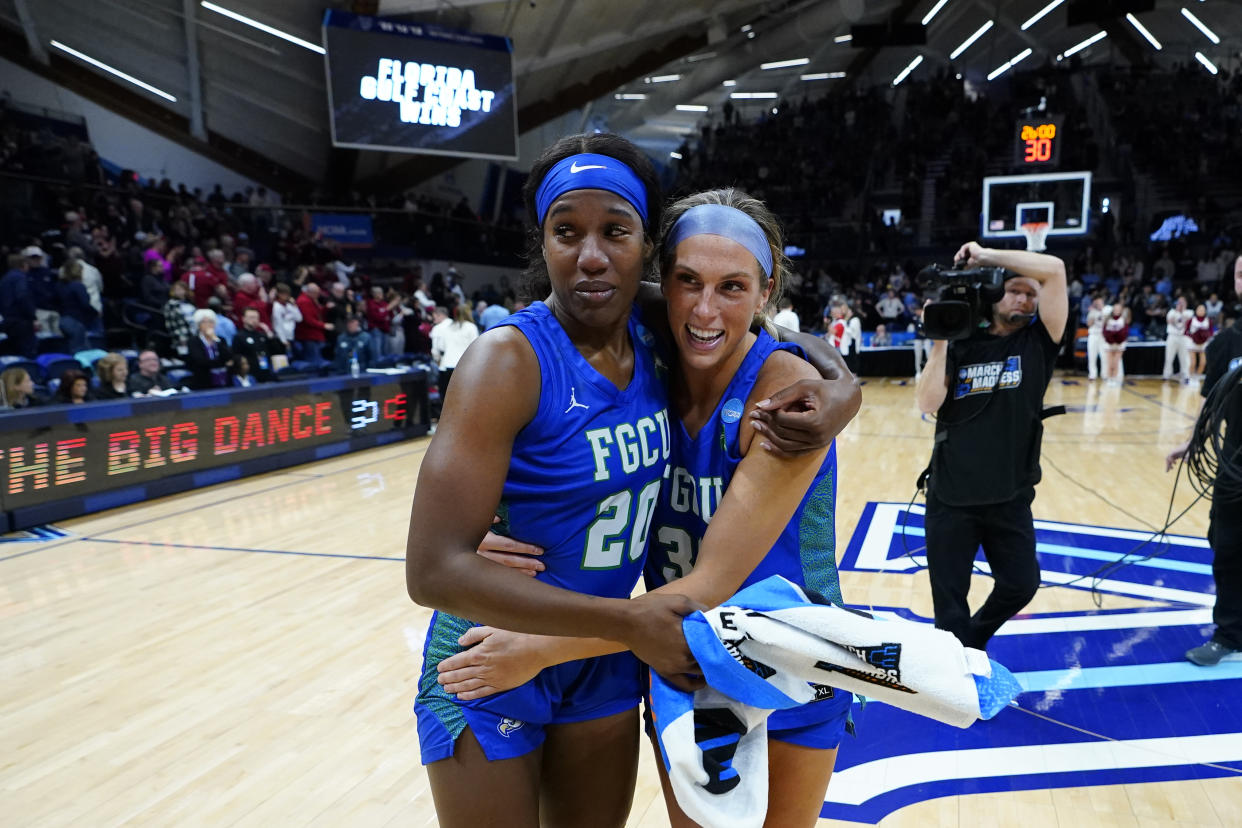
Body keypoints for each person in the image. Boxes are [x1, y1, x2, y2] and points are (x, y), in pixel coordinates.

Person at [404, 134, 857, 828]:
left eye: (615, 231)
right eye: (566, 232)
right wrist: (477, 545)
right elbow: (432, 560)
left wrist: (842, 385)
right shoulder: (564, 348)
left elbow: (757, 332)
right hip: (541, 646)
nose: (705, 309)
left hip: (685, 652)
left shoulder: (717, 362)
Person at [913, 241, 1067, 651]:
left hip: (1009, 496)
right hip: (950, 496)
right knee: (948, 611)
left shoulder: (1038, 343)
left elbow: (1054, 268)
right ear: (995, 293)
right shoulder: (960, 344)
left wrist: (985, 255)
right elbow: (928, 403)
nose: (1026, 300)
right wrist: (942, 337)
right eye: (1016, 290)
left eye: (1032, 295)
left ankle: (972, 644)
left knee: (1021, 584)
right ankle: (958, 679)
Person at [1166, 256, 1242, 665]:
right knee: (1226, 547)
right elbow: (1211, 406)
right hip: (1234, 463)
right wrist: (1191, 443)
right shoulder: (1225, 342)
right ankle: (1229, 634)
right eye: (1239, 273)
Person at [429, 304, 479, 396]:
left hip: (446, 366)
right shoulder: (471, 327)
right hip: (464, 367)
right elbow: (475, 349)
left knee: (446, 399)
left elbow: (440, 348)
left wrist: (438, 360)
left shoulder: (447, 327)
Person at [56, 259, 100, 353]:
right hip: (75, 321)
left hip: (63, 321)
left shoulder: (59, 286)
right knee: (79, 350)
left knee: (70, 348)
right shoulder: (78, 286)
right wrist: (96, 313)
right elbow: (85, 304)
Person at [0, 254, 38, 358]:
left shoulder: (4, 279)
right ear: (23, 264)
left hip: (8, 322)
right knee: (28, 353)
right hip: (22, 322)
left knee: (14, 354)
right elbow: (22, 297)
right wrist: (33, 316)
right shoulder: (20, 277)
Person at [186, 308, 233, 389]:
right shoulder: (193, 341)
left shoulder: (220, 340)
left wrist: (215, 339)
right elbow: (200, 361)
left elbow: (228, 357)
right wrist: (221, 363)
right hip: (203, 381)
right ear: (198, 325)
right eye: (204, 322)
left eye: (211, 322)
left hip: (223, 379)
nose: (208, 325)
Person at [232, 307, 277, 382]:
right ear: (244, 319)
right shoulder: (239, 337)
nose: (254, 320)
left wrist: (269, 334)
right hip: (251, 374)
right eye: (251, 317)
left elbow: (275, 351)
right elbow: (236, 357)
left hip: (266, 371)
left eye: (256, 318)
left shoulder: (262, 335)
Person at [294, 282, 332, 367]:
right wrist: (323, 325)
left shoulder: (310, 300)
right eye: (317, 293)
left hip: (314, 335)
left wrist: (325, 308)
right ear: (310, 292)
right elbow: (308, 320)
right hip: (309, 336)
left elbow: (317, 314)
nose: (318, 295)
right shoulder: (303, 301)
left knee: (318, 360)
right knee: (314, 362)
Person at [163, 280, 196, 356]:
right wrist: (179, 338)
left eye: (181, 289)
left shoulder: (190, 303)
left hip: (194, 335)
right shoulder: (170, 305)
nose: (179, 292)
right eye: (176, 290)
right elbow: (170, 324)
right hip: (182, 338)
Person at [1164, 296, 1193, 382]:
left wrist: (1182, 311)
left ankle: (1186, 375)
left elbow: (1189, 321)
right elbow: (1170, 320)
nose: (1180, 303)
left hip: (1184, 337)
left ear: (1186, 303)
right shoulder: (1172, 312)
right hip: (1172, 336)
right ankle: (1167, 374)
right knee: (1169, 357)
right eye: (1179, 302)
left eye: (1182, 302)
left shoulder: (1189, 312)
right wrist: (1177, 311)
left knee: (1184, 357)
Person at [1102, 301, 1130, 386]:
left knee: (1116, 362)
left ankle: (1114, 378)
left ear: (1121, 310)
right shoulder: (1108, 320)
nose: (1117, 310)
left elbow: (1124, 332)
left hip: (1119, 344)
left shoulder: (1123, 320)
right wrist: (1111, 340)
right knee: (1109, 363)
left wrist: (1117, 340)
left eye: (1119, 309)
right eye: (1115, 309)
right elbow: (1105, 332)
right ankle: (1109, 378)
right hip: (1109, 344)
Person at [270, 282, 302, 350]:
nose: (286, 296)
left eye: (288, 294)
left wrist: (294, 306)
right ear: (278, 294)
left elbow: (299, 318)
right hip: (280, 338)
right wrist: (283, 340)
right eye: (284, 293)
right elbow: (277, 324)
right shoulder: (276, 306)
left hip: (291, 336)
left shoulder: (289, 306)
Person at [1187, 303, 1212, 379]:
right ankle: (1190, 378)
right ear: (1196, 310)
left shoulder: (1208, 320)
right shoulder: (1191, 320)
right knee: (1192, 363)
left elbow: (1211, 332)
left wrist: (1204, 336)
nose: (1201, 311)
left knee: (1203, 363)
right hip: (1192, 343)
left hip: (1203, 344)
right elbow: (1185, 331)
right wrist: (1194, 336)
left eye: (1202, 310)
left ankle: (1196, 378)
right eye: (1199, 309)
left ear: (1205, 311)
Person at [1085, 295, 1107, 381]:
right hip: (1093, 335)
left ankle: (1104, 374)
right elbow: (1089, 324)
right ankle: (1092, 375)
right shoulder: (1092, 312)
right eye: (1097, 303)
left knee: (1104, 356)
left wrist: (1102, 314)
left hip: (1103, 336)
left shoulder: (1107, 311)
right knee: (1092, 355)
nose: (1099, 304)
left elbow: (1108, 323)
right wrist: (1094, 315)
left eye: (1100, 302)